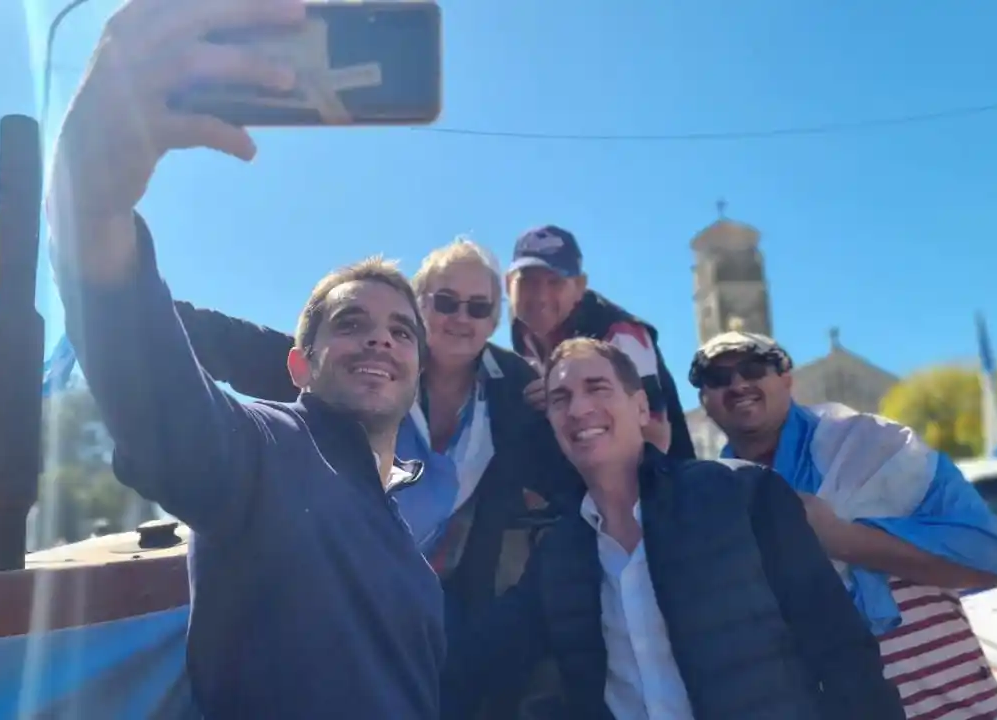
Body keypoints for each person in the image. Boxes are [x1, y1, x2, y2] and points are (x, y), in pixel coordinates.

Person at [46, 1, 443, 716]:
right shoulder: (265, 451)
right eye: (352, 324)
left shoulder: (405, 536)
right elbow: (161, 403)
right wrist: (89, 202)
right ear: (300, 367)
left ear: (416, 373)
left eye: (402, 331)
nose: (382, 339)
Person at [164, 239, 574, 716]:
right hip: (343, 582)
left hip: (444, 586)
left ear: (495, 318)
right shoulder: (371, 373)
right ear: (420, 305)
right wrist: (139, 313)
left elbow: (578, 454)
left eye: (479, 307)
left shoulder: (514, 384)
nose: (462, 318)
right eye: (445, 302)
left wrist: (576, 404)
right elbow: (255, 350)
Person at [443, 338, 905, 720]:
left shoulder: (742, 495)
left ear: (641, 407)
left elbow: (843, 650)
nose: (579, 408)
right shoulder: (558, 558)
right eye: (560, 398)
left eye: (597, 387)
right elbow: (475, 662)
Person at [690, 330, 997, 720]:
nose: (739, 384)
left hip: (949, 706)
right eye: (718, 378)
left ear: (786, 378)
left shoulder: (875, 445)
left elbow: (993, 560)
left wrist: (842, 539)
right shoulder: (711, 499)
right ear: (705, 401)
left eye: (753, 369)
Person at [506, 226, 695, 461]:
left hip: (659, 487)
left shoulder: (619, 334)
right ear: (508, 285)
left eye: (555, 282)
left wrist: (561, 393)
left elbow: (655, 436)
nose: (540, 297)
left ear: (579, 286)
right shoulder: (521, 328)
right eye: (528, 282)